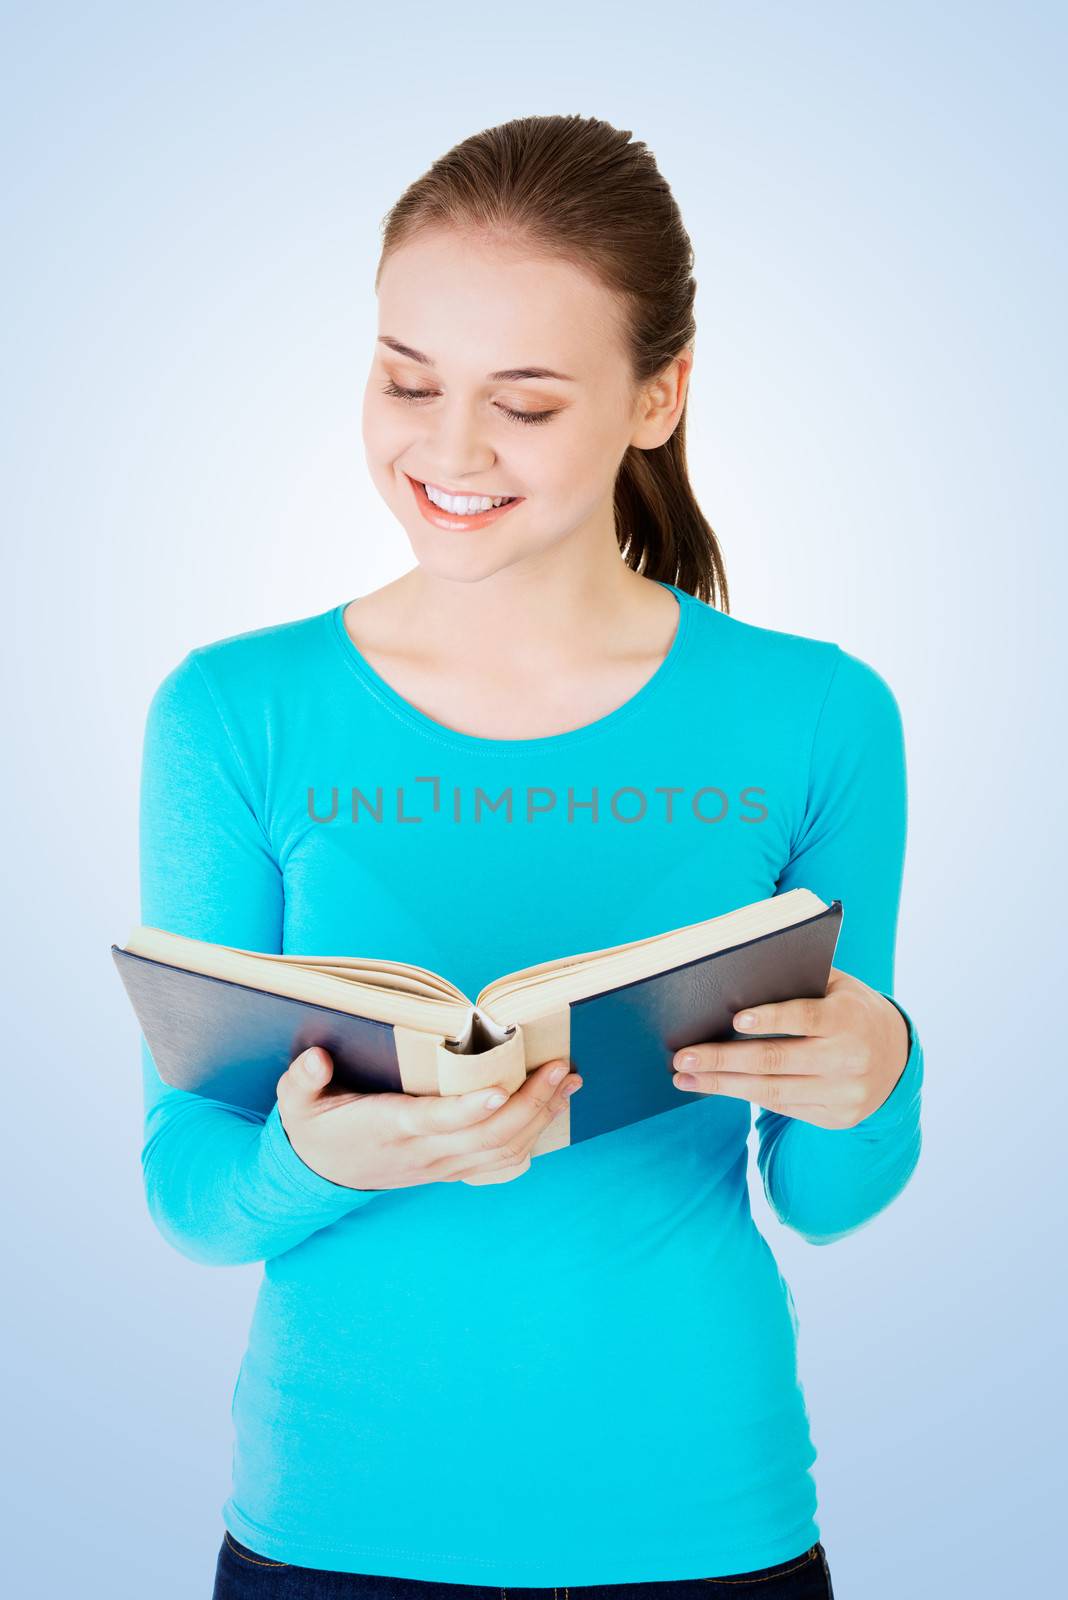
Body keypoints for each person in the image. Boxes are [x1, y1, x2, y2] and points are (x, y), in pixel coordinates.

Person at [136, 115, 923, 1600]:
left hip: (707, 1525)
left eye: (527, 403)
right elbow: (187, 1187)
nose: (446, 452)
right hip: (333, 1530)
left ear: (656, 398)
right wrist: (309, 1159)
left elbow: (825, 1199)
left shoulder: (819, 715)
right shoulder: (233, 715)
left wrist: (879, 1077)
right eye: (406, 379)